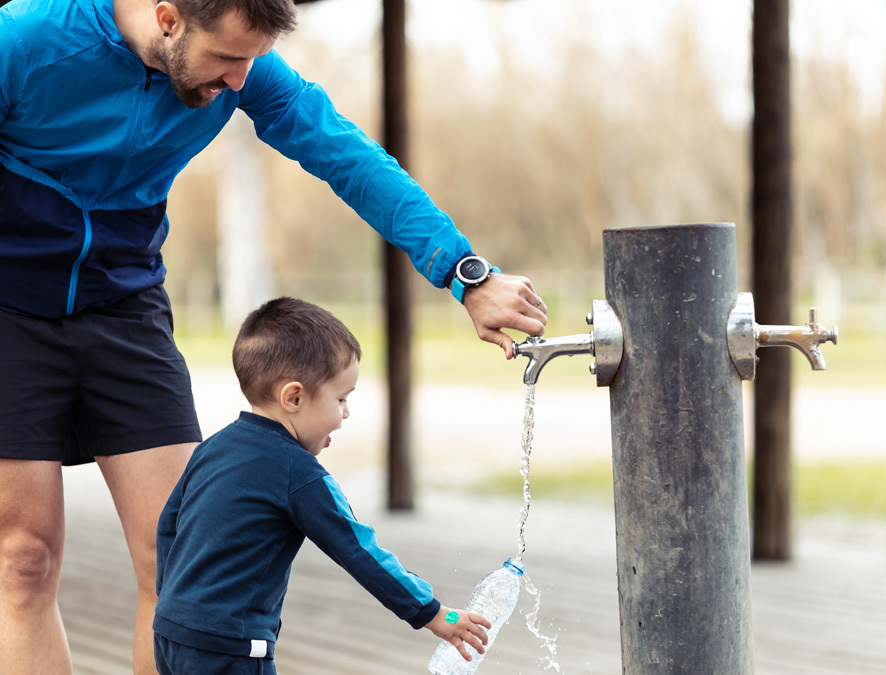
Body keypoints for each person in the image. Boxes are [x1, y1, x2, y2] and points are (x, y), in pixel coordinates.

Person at [0, 0, 546, 672]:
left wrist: (465, 272)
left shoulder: (246, 68)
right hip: (8, 309)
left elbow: (345, 153)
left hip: (124, 302)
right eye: (228, 58)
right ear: (168, 18)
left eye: (251, 60)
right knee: (24, 557)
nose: (241, 80)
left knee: (179, 561)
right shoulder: (24, 41)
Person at [154, 297, 490, 673]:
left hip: (170, 631)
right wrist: (434, 613)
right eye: (341, 398)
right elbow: (359, 551)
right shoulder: (297, 472)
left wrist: (172, 598)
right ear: (294, 397)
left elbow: (168, 526)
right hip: (229, 645)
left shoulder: (214, 447)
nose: (346, 412)